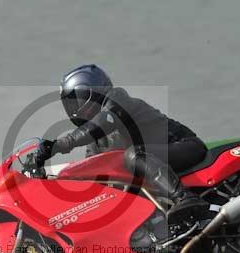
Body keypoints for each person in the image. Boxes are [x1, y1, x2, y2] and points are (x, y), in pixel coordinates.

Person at [36, 64, 209, 217]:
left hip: (182, 146)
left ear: (91, 91)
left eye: (76, 99)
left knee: (133, 155)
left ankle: (184, 197)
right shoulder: (95, 142)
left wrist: (59, 145)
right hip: (155, 168)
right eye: (69, 103)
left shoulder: (117, 101)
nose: (72, 108)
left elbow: (101, 123)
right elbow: (92, 173)